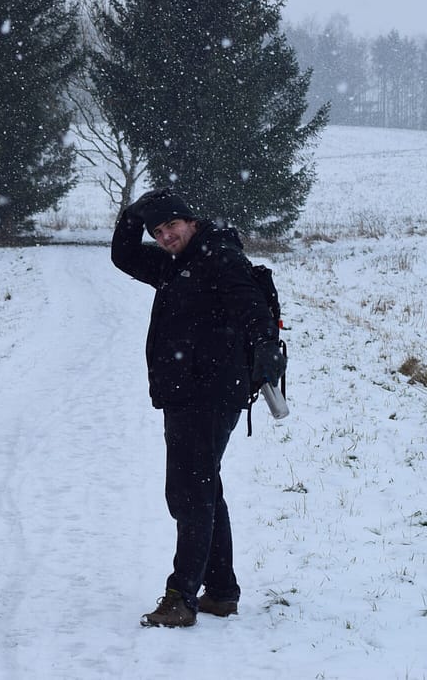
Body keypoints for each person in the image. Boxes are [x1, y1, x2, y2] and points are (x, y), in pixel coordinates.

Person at [111, 187, 286, 628]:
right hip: (188, 391)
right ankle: (221, 591)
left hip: (209, 392)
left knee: (189, 492)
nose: (165, 236)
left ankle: (180, 597)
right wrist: (134, 216)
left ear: (191, 222)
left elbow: (249, 304)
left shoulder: (218, 257)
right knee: (205, 488)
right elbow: (124, 256)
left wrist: (266, 343)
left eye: (172, 226)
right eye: (159, 230)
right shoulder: (175, 264)